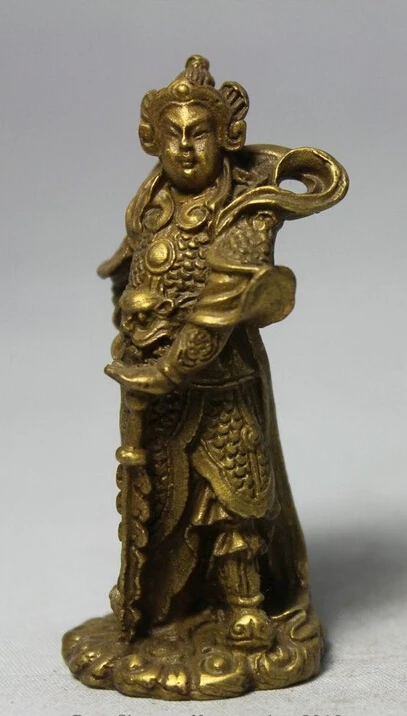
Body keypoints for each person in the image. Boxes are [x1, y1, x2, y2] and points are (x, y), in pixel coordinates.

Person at [64, 55, 348, 698]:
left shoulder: (246, 210)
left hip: (220, 381)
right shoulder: (152, 202)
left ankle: (245, 607)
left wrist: (170, 368)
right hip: (154, 385)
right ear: (153, 140)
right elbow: (130, 272)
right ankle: (164, 609)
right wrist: (134, 337)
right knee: (163, 499)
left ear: (225, 138)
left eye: (199, 134)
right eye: (173, 135)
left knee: (234, 497)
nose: (186, 148)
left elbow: (223, 304)